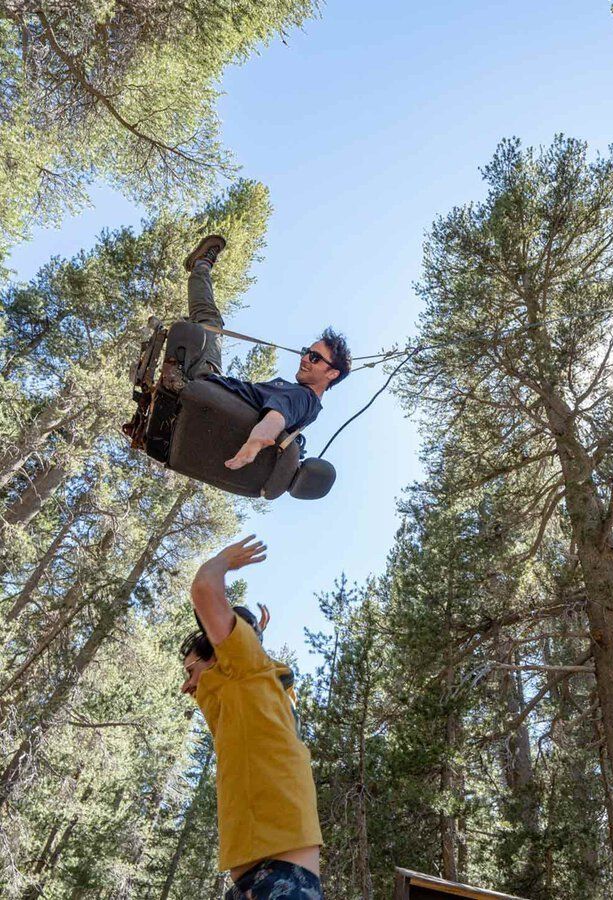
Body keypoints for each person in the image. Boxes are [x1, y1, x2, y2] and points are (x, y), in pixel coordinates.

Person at [180, 535, 324, 900]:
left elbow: (204, 590)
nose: (186, 685)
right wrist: (256, 632)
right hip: (257, 879)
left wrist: (224, 560)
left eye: (190, 670)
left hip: (281, 878)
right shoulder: (253, 687)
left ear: (216, 657)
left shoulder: (245, 669)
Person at [184, 235, 351, 470]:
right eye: (306, 352)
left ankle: (201, 265)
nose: (304, 358)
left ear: (332, 373)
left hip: (205, 381)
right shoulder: (304, 404)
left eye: (314, 357)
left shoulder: (303, 398)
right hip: (216, 384)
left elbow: (277, 417)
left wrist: (256, 441)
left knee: (209, 320)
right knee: (193, 327)